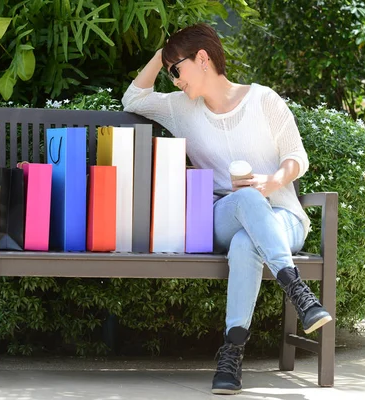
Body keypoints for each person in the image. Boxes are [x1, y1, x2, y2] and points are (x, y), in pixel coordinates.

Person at [121, 23, 332, 395]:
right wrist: (164, 52)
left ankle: (231, 354)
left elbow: (297, 156)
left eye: (176, 70)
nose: (173, 80)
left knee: (247, 244)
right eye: (169, 71)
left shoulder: (264, 100)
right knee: (246, 204)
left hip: (282, 216)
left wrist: (273, 181)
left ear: (202, 59)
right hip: (222, 217)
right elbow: (133, 100)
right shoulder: (181, 108)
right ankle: (298, 290)